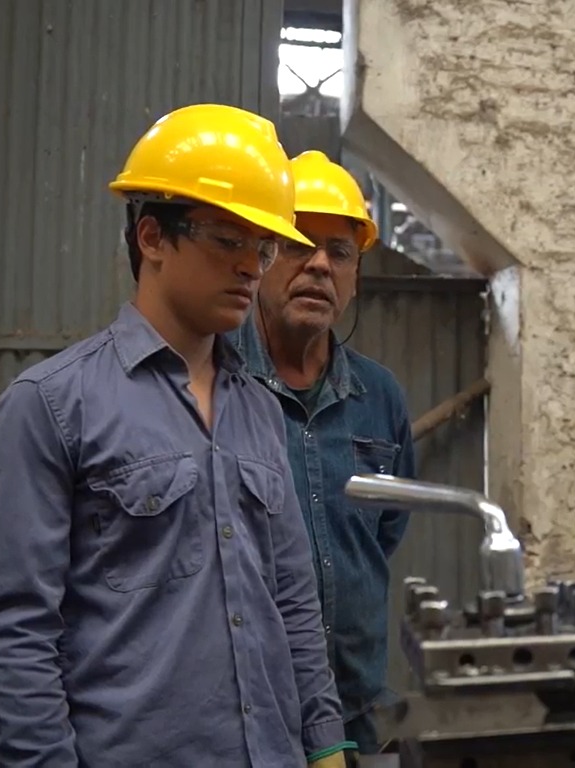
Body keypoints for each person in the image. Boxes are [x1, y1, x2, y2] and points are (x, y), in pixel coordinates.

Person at [0, 104, 354, 767]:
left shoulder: (259, 409)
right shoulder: (51, 408)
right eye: (226, 240)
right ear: (152, 238)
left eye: (260, 247)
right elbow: (16, 640)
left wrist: (325, 750)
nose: (251, 268)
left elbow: (292, 604)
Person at [227, 150, 416, 754]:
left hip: (360, 713)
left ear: (356, 274)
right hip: (248, 723)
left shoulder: (379, 396)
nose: (318, 266)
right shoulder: (215, 382)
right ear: (259, 258)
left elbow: (383, 533)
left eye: (339, 252)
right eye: (296, 244)